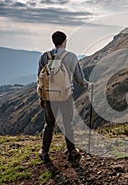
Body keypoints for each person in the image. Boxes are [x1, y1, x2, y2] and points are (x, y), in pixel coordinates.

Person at [37, 31, 89, 162]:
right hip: (65, 95)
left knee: (49, 123)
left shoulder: (44, 56)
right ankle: (72, 151)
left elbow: (41, 79)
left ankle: (44, 152)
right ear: (65, 41)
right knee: (67, 123)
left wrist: (41, 98)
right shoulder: (71, 56)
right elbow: (79, 78)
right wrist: (89, 85)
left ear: (53, 41)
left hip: (49, 96)